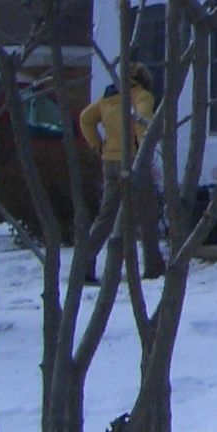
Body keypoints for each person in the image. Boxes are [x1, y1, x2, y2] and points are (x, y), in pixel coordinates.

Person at [78, 63, 165, 277]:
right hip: (134, 161)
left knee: (107, 214)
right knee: (147, 214)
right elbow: (143, 119)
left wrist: (97, 145)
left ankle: (84, 264)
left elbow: (85, 118)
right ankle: (153, 265)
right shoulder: (142, 96)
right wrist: (144, 147)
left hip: (110, 161)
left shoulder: (107, 98)